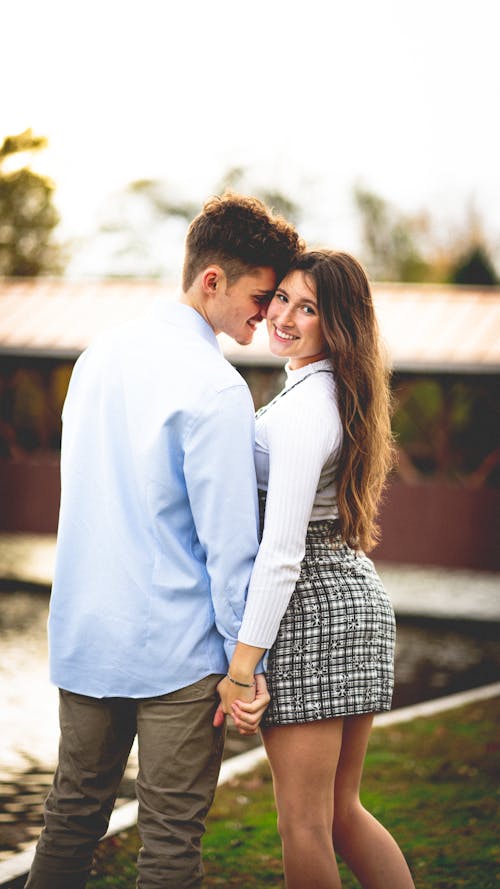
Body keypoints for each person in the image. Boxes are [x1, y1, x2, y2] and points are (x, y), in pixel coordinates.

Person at [24, 193, 303, 889]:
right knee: (172, 839)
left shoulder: (96, 357)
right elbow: (230, 546)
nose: (267, 313)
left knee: (70, 816)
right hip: (179, 655)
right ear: (212, 280)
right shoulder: (215, 386)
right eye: (260, 295)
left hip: (86, 636)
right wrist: (246, 666)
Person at [218, 250, 415, 889]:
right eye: (283, 299)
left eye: (309, 309)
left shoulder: (305, 409)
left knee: (304, 822)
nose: (285, 316)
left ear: (337, 326)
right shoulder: (326, 390)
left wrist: (243, 667)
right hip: (350, 595)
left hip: (313, 612)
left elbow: (282, 550)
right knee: (339, 811)